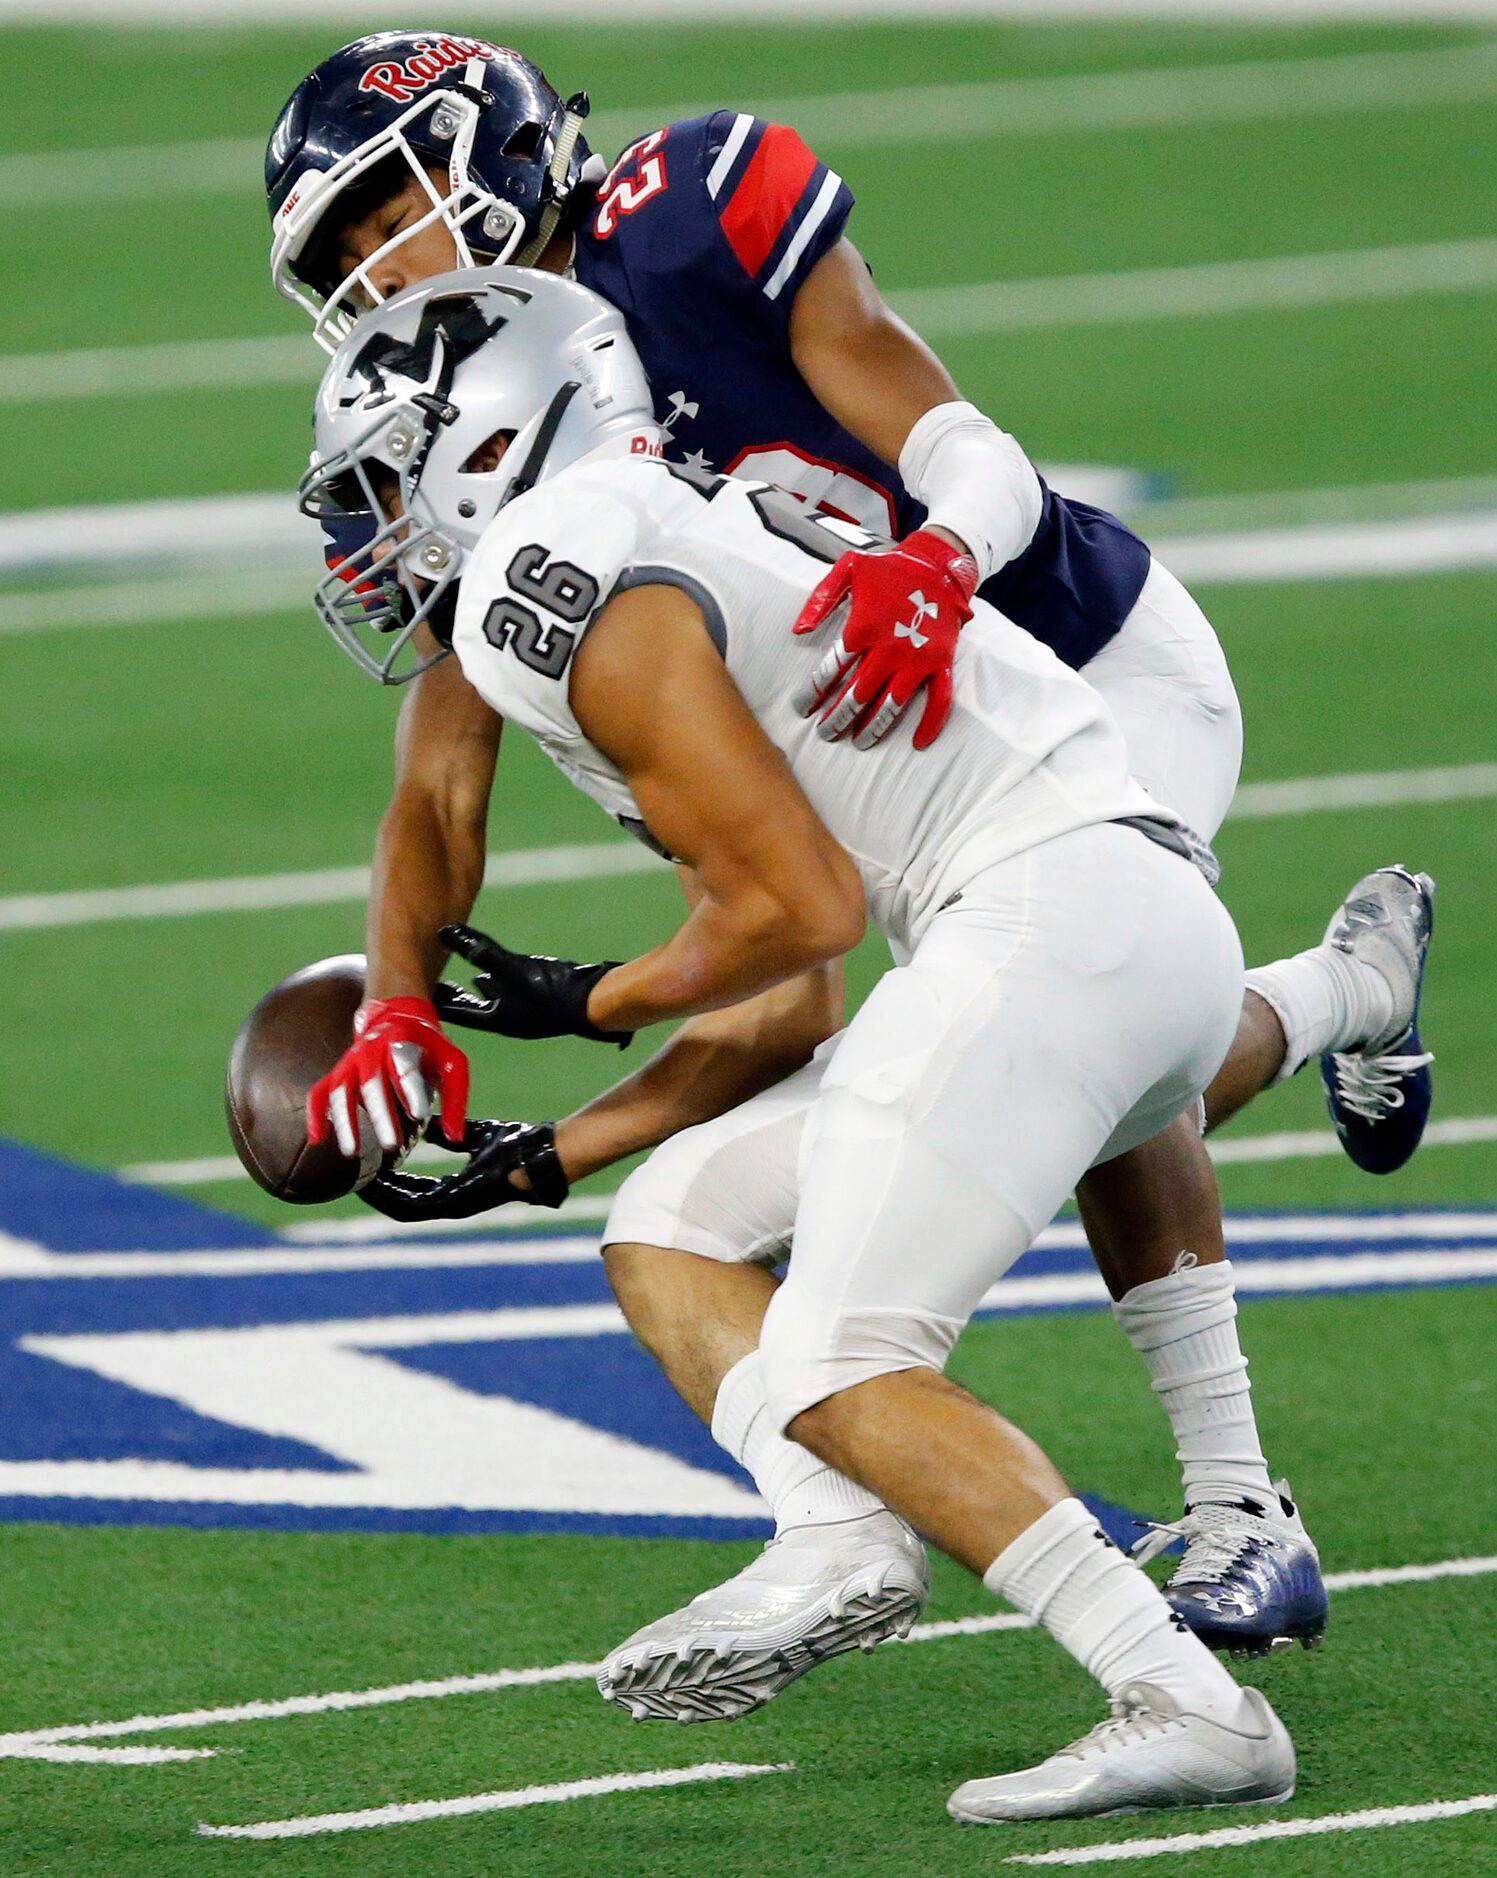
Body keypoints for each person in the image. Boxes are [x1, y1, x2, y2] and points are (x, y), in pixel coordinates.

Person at [267, 34, 1433, 1660]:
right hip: (894, 780)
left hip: (1062, 658)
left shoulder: (685, 215)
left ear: (489, 147)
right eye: (336, 258)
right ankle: (1341, 991)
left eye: (378, 211)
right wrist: (406, 1010)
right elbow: (438, 784)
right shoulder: (490, 410)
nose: (370, 269)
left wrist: (941, 553)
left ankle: (1239, 1503)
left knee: (1089, 1060)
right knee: (1049, 1052)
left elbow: (955, 436)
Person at [302, 264, 1300, 1821]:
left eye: (379, 479)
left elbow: (799, 913)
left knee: (839, 1354)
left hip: (1047, 918)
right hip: (1112, 916)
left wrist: (585, 998)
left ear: (489, 439)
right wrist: (542, 1153)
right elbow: (787, 997)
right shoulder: (642, 520)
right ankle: (840, 1537)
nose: (363, 529)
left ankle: (1182, 1692)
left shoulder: (553, 573)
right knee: (675, 1226)